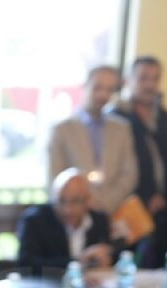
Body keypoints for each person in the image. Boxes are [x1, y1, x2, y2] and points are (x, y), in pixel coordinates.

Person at [111, 55, 167, 265]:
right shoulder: (116, 118)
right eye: (143, 78)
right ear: (129, 80)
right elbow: (116, 168)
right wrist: (144, 196)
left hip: (164, 209)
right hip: (129, 209)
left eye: (155, 79)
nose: (150, 85)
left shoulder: (165, 118)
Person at [47, 65, 138, 216]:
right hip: (74, 214)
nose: (102, 95)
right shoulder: (62, 129)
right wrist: (83, 200)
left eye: (109, 89)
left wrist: (105, 203)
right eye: (97, 87)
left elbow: (129, 174)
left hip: (112, 212)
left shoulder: (122, 129)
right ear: (85, 86)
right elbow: (55, 175)